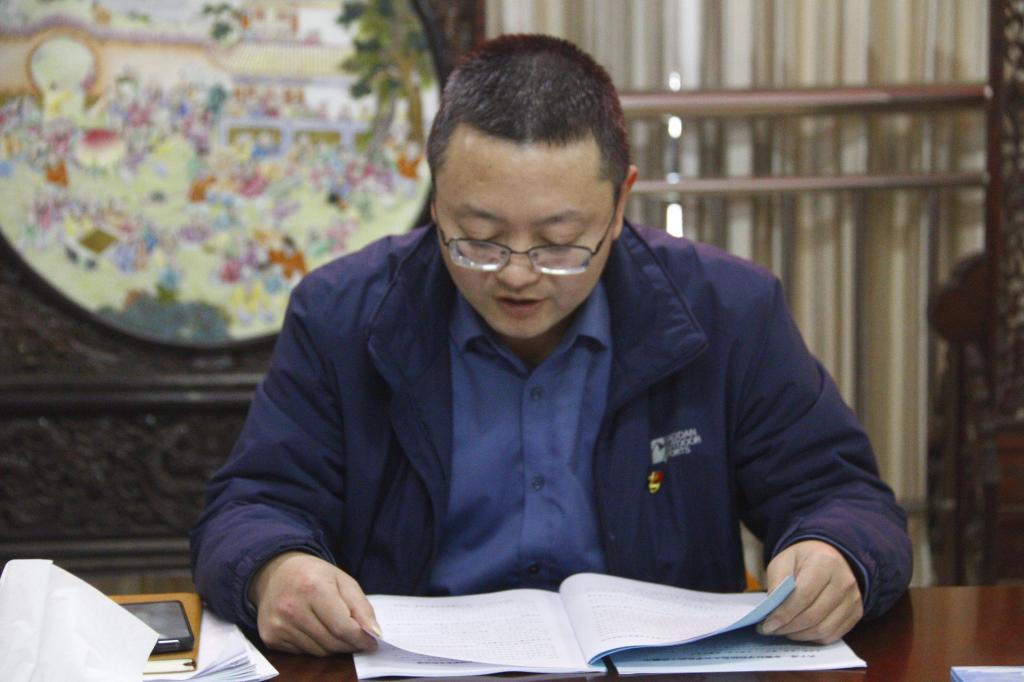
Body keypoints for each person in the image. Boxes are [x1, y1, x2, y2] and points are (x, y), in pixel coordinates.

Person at [190, 34, 912, 657]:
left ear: (621, 202)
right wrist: (276, 569)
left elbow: (841, 494)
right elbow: (251, 505)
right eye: (479, 237)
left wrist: (834, 552)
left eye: (560, 242)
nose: (516, 274)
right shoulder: (343, 317)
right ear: (435, 199)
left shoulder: (727, 312)